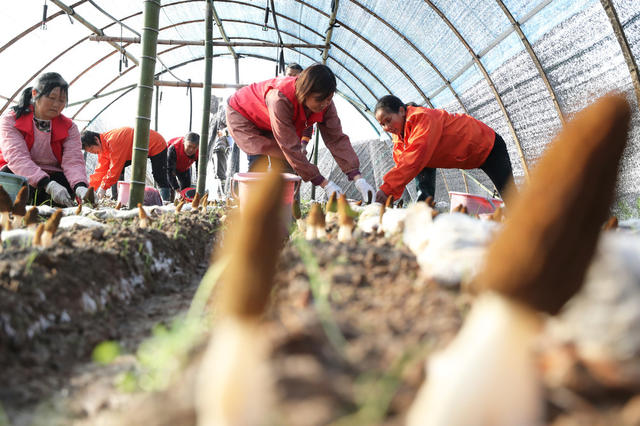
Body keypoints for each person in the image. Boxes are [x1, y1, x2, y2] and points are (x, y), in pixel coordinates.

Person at [226, 63, 374, 201]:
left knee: (286, 166)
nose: (324, 104)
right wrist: (324, 183)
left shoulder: (325, 101)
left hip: (270, 122)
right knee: (261, 160)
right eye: (319, 100)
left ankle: (286, 212)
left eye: (329, 99)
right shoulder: (280, 98)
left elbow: (336, 138)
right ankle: (251, 211)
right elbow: (290, 147)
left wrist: (357, 177)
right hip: (244, 114)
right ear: (305, 92)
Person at [373, 95, 513, 203]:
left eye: (388, 120)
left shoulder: (422, 118)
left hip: (487, 145)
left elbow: (414, 158)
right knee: (420, 167)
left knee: (511, 197)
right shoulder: (400, 138)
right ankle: (424, 213)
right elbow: (403, 167)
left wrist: (387, 190)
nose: (386, 127)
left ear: (402, 111)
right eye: (382, 125)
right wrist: (389, 194)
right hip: (470, 155)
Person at [81, 127, 171, 201]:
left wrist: (103, 188)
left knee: (159, 176)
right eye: (90, 152)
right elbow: (100, 172)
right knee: (114, 169)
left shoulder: (113, 141)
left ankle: (165, 201)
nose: (93, 152)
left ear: (96, 140)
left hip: (156, 144)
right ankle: (117, 197)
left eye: (92, 149)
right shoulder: (103, 149)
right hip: (134, 151)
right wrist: (89, 190)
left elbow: (115, 169)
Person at [285, 63, 314, 155]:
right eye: (289, 75)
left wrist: (303, 145)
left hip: (294, 144)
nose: (292, 78)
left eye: (296, 76)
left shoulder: (305, 98)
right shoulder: (278, 93)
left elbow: (308, 124)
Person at [167, 132, 199, 196]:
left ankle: (184, 202)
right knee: (169, 188)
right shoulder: (173, 148)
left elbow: (200, 172)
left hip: (185, 168)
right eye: (189, 146)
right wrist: (176, 187)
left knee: (186, 190)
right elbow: (169, 171)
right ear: (184, 142)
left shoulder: (200, 152)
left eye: (194, 147)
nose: (191, 150)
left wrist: (199, 186)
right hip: (170, 165)